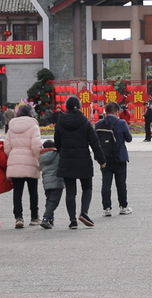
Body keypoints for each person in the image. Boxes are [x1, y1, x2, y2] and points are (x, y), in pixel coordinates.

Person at [55, 96, 106, 229]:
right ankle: (84, 212)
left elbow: (57, 142)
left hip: (66, 160)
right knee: (87, 187)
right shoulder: (85, 122)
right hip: (83, 159)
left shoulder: (61, 122)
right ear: (79, 106)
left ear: (66, 107)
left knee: (70, 191)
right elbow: (94, 143)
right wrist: (101, 160)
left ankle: (72, 221)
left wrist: (63, 153)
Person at [5, 104, 42, 228]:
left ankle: (18, 218)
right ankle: (34, 217)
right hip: (31, 161)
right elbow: (36, 146)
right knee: (33, 192)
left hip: (15, 161)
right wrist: (39, 159)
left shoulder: (11, 127)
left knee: (17, 192)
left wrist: (13, 155)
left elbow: (6, 147)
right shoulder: (33, 126)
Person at [96, 102, 133, 217]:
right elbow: (129, 139)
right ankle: (123, 206)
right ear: (117, 112)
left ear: (106, 112)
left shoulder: (98, 124)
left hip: (105, 159)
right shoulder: (121, 123)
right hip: (119, 157)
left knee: (106, 184)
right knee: (121, 183)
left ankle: (106, 208)